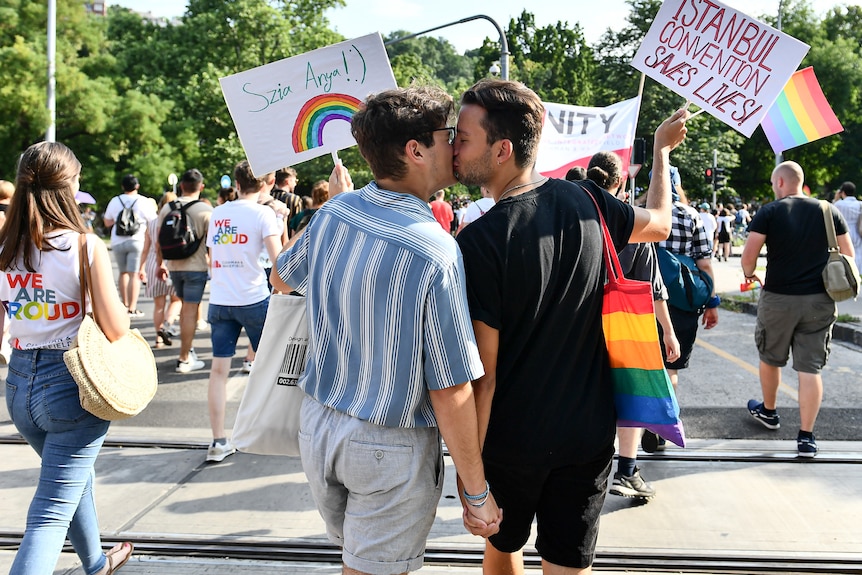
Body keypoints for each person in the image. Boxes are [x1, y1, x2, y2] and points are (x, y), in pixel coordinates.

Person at [453, 79, 688, 574]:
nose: (454, 146)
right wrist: (662, 152)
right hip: (588, 434)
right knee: (568, 562)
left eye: (464, 137)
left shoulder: (479, 242)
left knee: (502, 545)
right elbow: (661, 223)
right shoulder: (590, 201)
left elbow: (484, 376)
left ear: (502, 150)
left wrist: (472, 479)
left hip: (512, 440)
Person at [272, 85, 501, 575]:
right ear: (415, 150)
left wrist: (339, 205)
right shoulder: (434, 250)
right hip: (386, 445)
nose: (457, 145)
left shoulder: (334, 212)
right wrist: (476, 488)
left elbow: (281, 276)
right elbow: (450, 386)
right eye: (448, 136)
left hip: (318, 426)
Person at [0, 141, 134, 574]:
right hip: (71, 387)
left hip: (19, 386)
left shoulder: (4, 246)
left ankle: (95, 563)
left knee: (71, 483)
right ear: (69, 188)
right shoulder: (83, 246)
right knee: (50, 510)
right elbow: (117, 329)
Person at [741, 161, 853, 458]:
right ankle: (806, 437)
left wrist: (750, 273)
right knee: (810, 368)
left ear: (779, 182)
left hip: (778, 297)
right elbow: (849, 255)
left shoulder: (769, 211)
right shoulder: (829, 210)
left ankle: (769, 412)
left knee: (771, 357)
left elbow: (749, 255)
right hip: (819, 299)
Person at [586, 151, 680, 501]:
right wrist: (668, 332)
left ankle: (587, 464)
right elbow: (653, 287)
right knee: (630, 395)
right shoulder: (633, 222)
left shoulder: (572, 218)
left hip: (581, 328)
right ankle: (627, 469)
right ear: (620, 182)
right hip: (626, 327)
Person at [205, 161, 281, 463]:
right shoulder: (264, 214)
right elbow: (280, 261)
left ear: (237, 183)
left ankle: (218, 440)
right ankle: (268, 432)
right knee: (271, 368)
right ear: (268, 182)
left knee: (218, 372)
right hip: (253, 298)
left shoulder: (219, 213)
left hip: (220, 299)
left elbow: (214, 257)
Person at [643, 168, 719, 453]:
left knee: (646, 364)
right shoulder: (691, 216)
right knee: (671, 365)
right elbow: (705, 264)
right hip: (683, 301)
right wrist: (711, 303)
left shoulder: (641, 213)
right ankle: (663, 425)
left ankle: (647, 423)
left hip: (646, 297)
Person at [156, 168, 213, 373]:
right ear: (201, 187)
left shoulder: (167, 208)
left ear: (181, 186)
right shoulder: (206, 211)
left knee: (181, 308)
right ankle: (184, 357)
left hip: (174, 267)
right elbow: (212, 244)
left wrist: (160, 263)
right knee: (189, 311)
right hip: (195, 268)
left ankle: (188, 351)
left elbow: (158, 239)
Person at [102, 174, 158, 316]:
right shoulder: (143, 201)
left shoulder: (115, 201)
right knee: (134, 274)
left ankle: (124, 305)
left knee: (123, 273)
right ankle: (132, 308)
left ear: (122, 186)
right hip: (137, 240)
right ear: (137, 186)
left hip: (118, 240)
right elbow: (153, 222)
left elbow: (107, 222)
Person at [139, 192, 182, 348]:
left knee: (158, 305)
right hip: (172, 263)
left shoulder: (152, 223)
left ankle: (158, 339)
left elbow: (146, 249)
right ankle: (167, 324)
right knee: (177, 300)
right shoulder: (177, 221)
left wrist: (141, 267)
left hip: (153, 265)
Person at [833, 181, 862, 271]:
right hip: (857, 231)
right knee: (858, 253)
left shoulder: (838, 204)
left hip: (842, 232)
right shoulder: (859, 204)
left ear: (842, 192)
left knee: (845, 255)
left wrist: (836, 198)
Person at [271, 166, 303, 234]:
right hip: (288, 239)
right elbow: (297, 224)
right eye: (295, 181)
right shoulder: (295, 199)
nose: (295, 184)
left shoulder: (268, 197)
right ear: (287, 181)